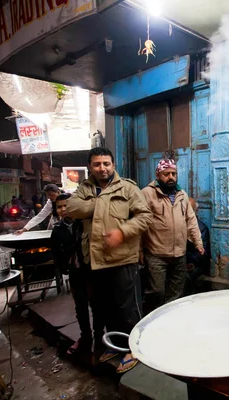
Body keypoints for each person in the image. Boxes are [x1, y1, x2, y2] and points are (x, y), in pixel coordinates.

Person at [66, 147, 152, 374]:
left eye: (106, 163)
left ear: (113, 165)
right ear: (90, 167)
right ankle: (117, 346)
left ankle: (134, 349)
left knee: (128, 308)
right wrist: (102, 202)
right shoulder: (84, 188)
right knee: (107, 307)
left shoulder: (128, 188)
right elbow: (72, 208)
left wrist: (122, 232)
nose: (102, 168)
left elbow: (145, 217)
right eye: (97, 164)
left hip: (123, 258)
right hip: (95, 259)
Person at [141, 159, 204, 312]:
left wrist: (198, 242)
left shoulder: (182, 194)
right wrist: (138, 250)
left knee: (176, 294)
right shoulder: (147, 194)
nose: (171, 177)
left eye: (173, 174)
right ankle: (150, 322)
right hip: (156, 254)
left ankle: (168, 322)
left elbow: (191, 220)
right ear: (158, 174)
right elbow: (139, 223)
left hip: (179, 255)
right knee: (156, 292)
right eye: (166, 174)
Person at [50, 193, 103, 360]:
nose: (63, 209)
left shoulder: (85, 224)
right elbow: (56, 252)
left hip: (91, 271)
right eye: (59, 207)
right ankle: (85, 337)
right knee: (80, 306)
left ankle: (99, 339)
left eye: (66, 205)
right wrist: (63, 268)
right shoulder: (57, 230)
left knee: (96, 305)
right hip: (74, 273)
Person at [185, 198, 211, 295]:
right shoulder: (178, 225)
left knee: (185, 277)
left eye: (190, 210)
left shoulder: (201, 228)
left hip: (195, 265)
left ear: (196, 211)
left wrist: (187, 261)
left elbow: (202, 255)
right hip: (180, 262)